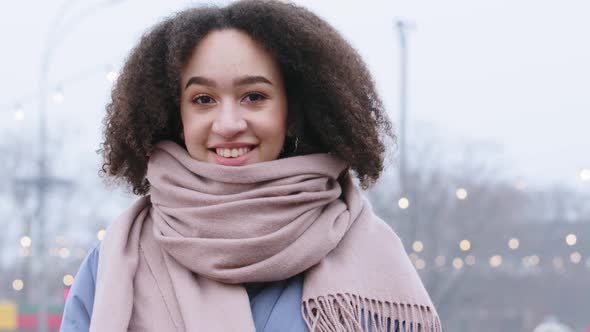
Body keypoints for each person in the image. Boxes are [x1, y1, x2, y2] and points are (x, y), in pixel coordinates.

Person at [61, 1, 441, 331]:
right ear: (177, 115)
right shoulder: (114, 261)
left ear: (293, 113)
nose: (227, 124)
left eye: (254, 96)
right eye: (203, 99)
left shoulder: (368, 253)